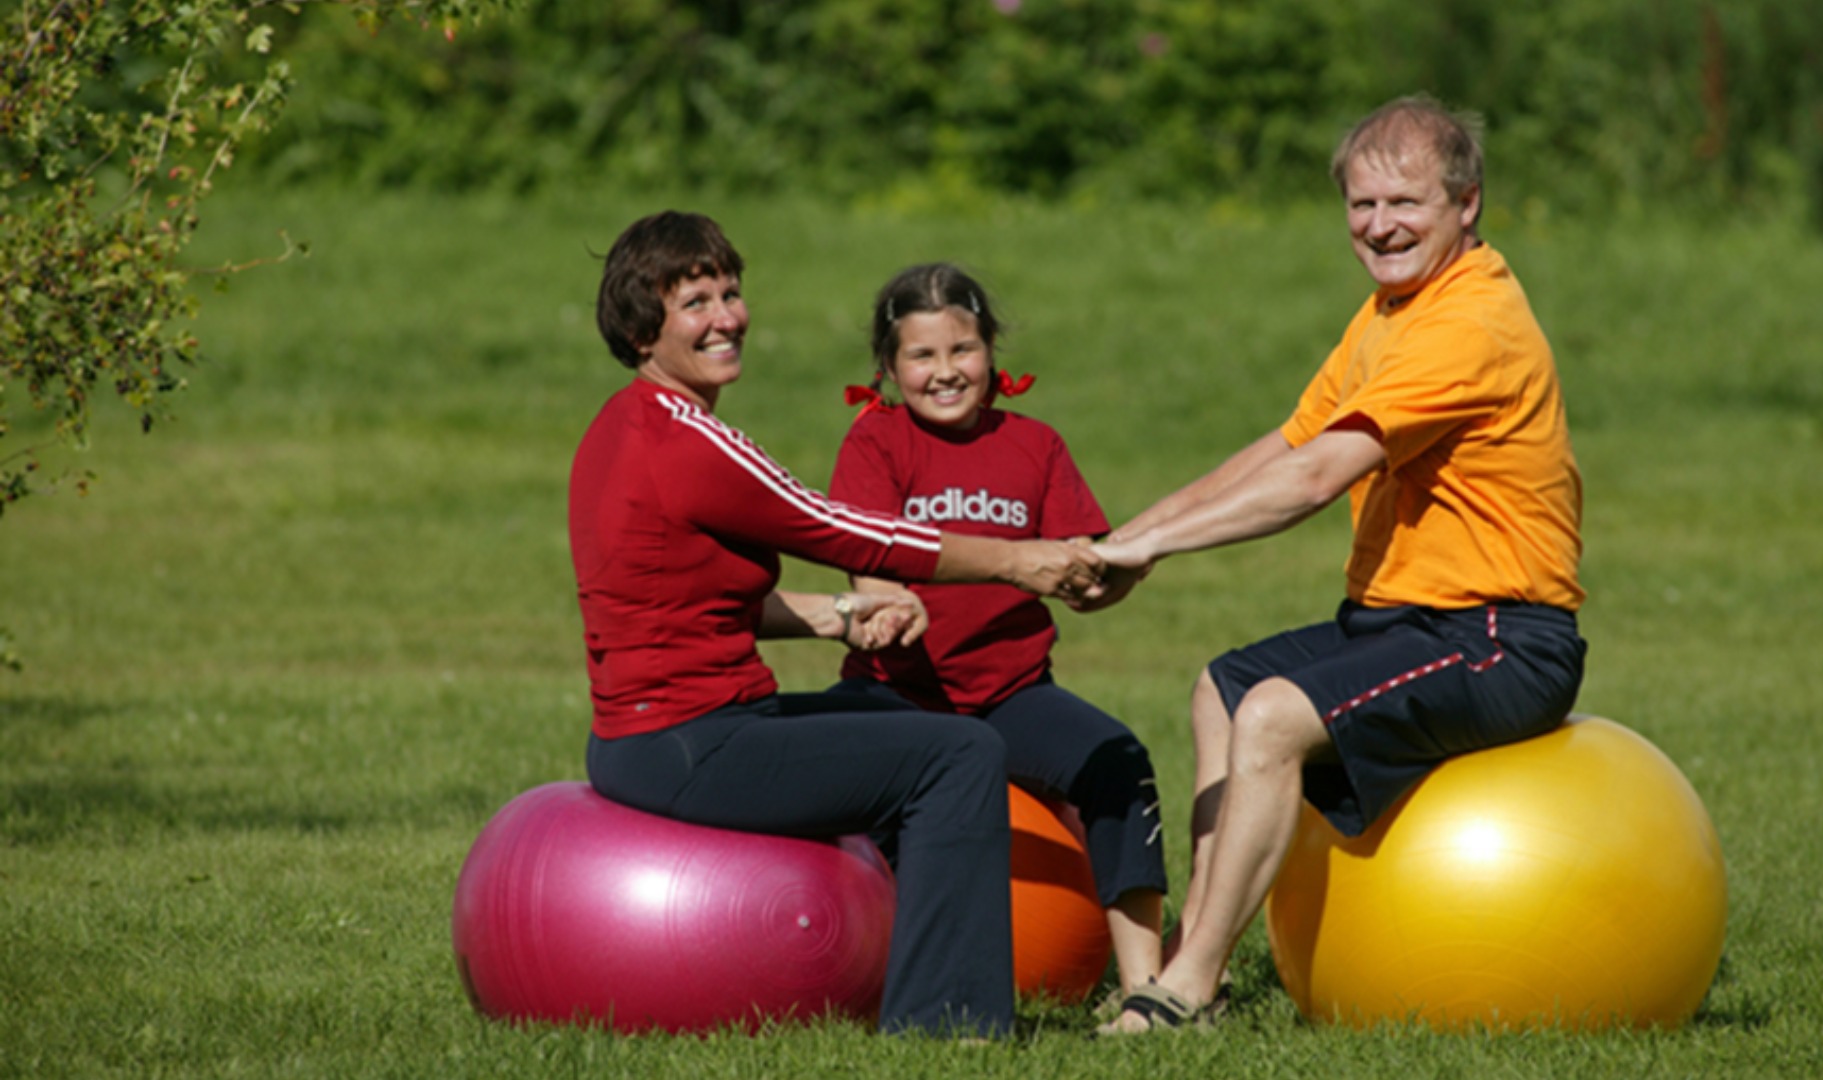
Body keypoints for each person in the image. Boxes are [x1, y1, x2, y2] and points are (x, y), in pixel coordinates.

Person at [1084, 96, 1588, 1032]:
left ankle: (1185, 990)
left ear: (1467, 203)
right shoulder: (1390, 312)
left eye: (1406, 203)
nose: (1380, 226)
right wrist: (1130, 538)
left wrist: (1151, 546)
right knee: (1223, 690)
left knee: (1272, 714)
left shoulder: (1469, 323)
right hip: (1405, 622)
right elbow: (1289, 443)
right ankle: (1197, 952)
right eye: (1363, 205)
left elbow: (1316, 478)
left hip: (1502, 639)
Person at [569, 211, 1104, 1039]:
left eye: (730, 293)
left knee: (895, 725)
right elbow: (843, 530)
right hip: (693, 743)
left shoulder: (620, 424)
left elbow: (675, 603)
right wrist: (1013, 560)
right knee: (960, 753)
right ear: (643, 330)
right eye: (695, 304)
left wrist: (838, 614)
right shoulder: (690, 440)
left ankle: (881, 962)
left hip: (646, 740)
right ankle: (947, 1028)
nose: (726, 318)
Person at [825, 263, 1169, 999]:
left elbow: (1083, 580)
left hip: (1011, 696)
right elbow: (868, 568)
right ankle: (861, 974)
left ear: (990, 352)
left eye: (964, 349)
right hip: (898, 700)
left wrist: (1119, 568)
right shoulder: (875, 444)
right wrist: (887, 606)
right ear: (889, 367)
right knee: (833, 793)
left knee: (1118, 761)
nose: (946, 371)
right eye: (922, 355)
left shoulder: (1035, 445)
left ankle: (1147, 987)